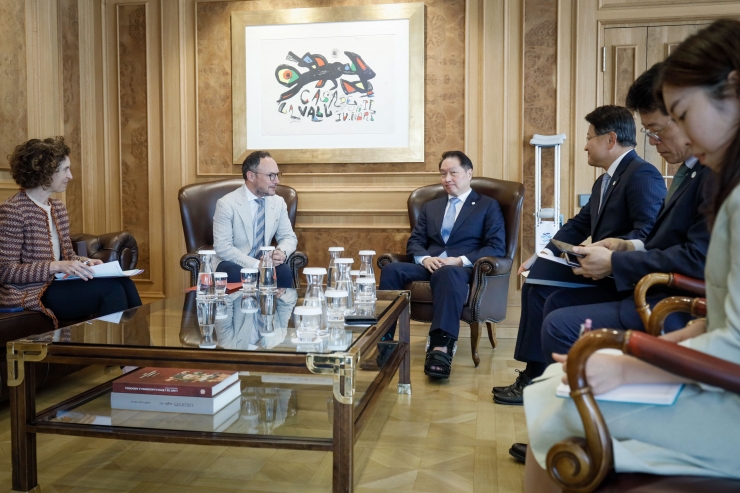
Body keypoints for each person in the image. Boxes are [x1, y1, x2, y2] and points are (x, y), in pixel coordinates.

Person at [525, 19, 740, 479]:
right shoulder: (723, 183)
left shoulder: (711, 186)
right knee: (552, 378)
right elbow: (723, 319)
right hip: (707, 352)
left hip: (725, 393)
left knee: (553, 404)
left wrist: (630, 366)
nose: (678, 136)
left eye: (681, 115)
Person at [495, 105, 667, 406]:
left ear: (610, 140)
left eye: (589, 137)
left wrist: (607, 250)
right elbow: (579, 224)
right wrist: (543, 254)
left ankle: (536, 377)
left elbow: (648, 234)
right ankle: (536, 375)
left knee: (541, 288)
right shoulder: (604, 180)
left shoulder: (642, 174)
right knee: (536, 278)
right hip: (598, 269)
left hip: (619, 277)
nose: (585, 145)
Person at [378, 150, 506, 378]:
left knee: (448, 273)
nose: (447, 179)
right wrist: (425, 258)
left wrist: (460, 260)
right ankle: (384, 340)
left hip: (462, 269)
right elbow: (416, 241)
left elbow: (496, 246)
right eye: (443, 174)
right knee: (391, 269)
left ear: (469, 174)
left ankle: (440, 348)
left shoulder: (488, 205)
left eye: (453, 173)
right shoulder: (431, 207)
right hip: (430, 265)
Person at [0, 137, 141, 328]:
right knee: (111, 290)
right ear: (45, 172)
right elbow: (6, 271)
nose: (70, 176)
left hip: (57, 285)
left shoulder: (57, 208)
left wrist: (84, 262)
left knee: (124, 283)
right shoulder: (14, 211)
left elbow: (67, 256)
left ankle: (139, 353)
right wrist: (55, 266)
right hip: (33, 291)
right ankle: (112, 355)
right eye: (65, 169)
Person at [212, 151, 298, 288]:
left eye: (277, 175)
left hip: (265, 261)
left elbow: (289, 237)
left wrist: (281, 252)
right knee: (235, 272)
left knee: (284, 272)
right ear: (251, 176)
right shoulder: (226, 204)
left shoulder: (278, 202)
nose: (277, 181)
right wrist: (256, 265)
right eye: (271, 176)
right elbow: (223, 247)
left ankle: (278, 309)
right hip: (234, 262)